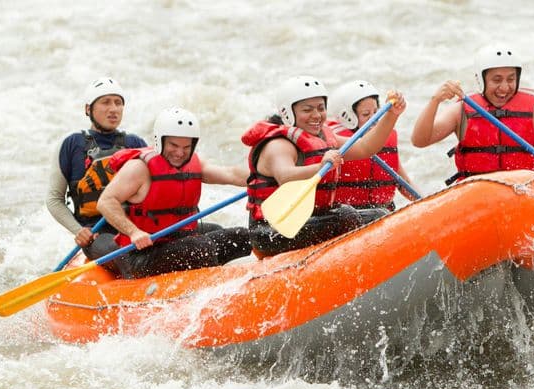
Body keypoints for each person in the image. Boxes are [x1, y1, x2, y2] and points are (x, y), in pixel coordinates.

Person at [242, 75, 406, 257]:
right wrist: (320, 166)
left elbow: (365, 148)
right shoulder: (278, 145)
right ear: (288, 112)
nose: (316, 115)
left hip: (311, 221)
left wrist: (392, 115)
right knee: (344, 216)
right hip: (272, 229)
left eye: (321, 108)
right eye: (307, 110)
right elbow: (285, 176)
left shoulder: (324, 138)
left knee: (379, 214)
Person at [97, 107, 251, 279]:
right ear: (160, 141)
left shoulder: (194, 163)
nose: (179, 153)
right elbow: (106, 201)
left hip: (175, 239)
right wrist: (134, 232)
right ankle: (212, 286)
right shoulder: (139, 169)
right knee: (202, 247)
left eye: (186, 147)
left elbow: (231, 174)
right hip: (141, 254)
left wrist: (264, 176)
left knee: (241, 237)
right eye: (173, 145)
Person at [411, 44, 534, 185]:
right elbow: (420, 140)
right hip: (476, 194)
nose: (504, 87)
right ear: (481, 80)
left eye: (510, 79)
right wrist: (435, 100)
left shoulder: (533, 113)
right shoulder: (462, 111)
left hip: (523, 193)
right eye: (497, 80)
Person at [46, 77, 148, 260]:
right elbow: (54, 199)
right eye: (105, 102)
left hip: (137, 228)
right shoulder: (71, 145)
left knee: (216, 233)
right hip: (98, 235)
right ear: (88, 109)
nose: (113, 109)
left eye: (118, 103)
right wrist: (79, 231)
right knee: (124, 252)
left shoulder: (136, 143)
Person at [327, 79, 418, 220]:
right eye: (366, 114)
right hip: (348, 219)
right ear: (347, 117)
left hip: (383, 214)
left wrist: (425, 202)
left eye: (376, 111)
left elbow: (403, 182)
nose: (373, 118)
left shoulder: (385, 138)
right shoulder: (334, 141)